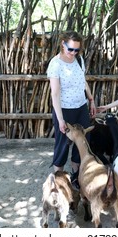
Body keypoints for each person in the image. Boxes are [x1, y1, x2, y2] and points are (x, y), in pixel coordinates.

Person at [47, 31, 97, 190]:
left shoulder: (79, 60)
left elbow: (83, 81)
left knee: (82, 141)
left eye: (77, 50)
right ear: (63, 44)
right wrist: (61, 119)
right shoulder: (55, 64)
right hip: (64, 110)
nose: (73, 53)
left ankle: (77, 176)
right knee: (62, 144)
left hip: (81, 107)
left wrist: (91, 100)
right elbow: (54, 93)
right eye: (70, 49)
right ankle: (58, 179)